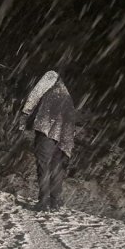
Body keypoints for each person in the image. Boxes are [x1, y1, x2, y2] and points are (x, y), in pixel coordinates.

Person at [18, 70, 76, 211]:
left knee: (43, 165)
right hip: (64, 134)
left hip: (48, 128)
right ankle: (55, 201)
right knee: (56, 167)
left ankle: (43, 202)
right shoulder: (65, 93)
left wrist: (24, 114)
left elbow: (36, 93)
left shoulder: (50, 75)